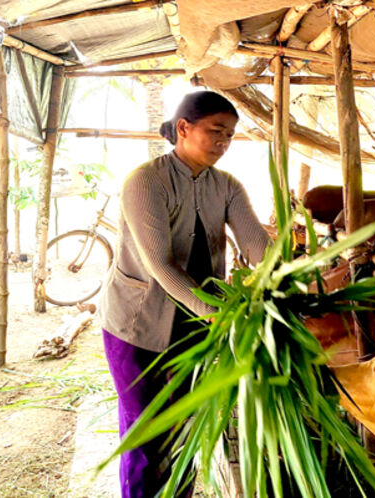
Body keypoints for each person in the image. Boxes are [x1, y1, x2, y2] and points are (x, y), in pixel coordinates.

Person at [100, 91, 271, 498]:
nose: (223, 144)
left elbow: (259, 249)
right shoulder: (146, 181)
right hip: (137, 326)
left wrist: (293, 272)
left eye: (229, 136)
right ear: (183, 128)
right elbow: (160, 264)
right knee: (147, 431)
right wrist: (214, 313)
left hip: (194, 328)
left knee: (186, 427)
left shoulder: (226, 186)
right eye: (216, 132)